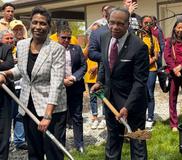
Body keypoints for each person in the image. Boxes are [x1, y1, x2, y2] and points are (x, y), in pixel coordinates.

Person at [0, 6, 67, 160]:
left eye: (42, 23)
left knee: (53, 153)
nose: (38, 27)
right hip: (28, 106)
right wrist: (5, 74)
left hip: (53, 109)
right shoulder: (22, 45)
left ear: (49, 26)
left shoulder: (56, 49)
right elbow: (21, 70)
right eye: (35, 22)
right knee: (34, 152)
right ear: (30, 24)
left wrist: (47, 116)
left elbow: (57, 83)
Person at [90, 8, 149, 159]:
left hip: (133, 103)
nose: (115, 27)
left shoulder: (139, 47)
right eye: (112, 23)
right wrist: (99, 81)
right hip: (110, 101)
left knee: (138, 144)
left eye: (120, 24)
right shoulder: (104, 37)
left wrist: (127, 106)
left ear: (128, 24)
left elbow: (139, 82)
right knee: (113, 142)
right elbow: (104, 62)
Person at [57, 25, 86, 153]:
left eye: (69, 38)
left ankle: (79, 144)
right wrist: (62, 80)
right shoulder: (52, 50)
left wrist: (73, 78)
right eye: (63, 38)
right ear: (58, 37)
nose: (67, 40)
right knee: (61, 118)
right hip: (59, 88)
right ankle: (60, 145)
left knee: (77, 117)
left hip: (75, 87)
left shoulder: (77, 49)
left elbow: (83, 66)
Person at [9, 19, 29, 151]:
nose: (18, 32)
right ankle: (7, 139)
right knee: (8, 113)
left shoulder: (27, 44)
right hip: (10, 84)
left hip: (23, 85)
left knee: (20, 113)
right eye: (15, 29)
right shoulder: (7, 45)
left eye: (20, 29)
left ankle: (19, 140)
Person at [139, 15, 160, 130]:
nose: (147, 25)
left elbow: (156, 56)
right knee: (140, 93)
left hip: (151, 70)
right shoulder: (137, 37)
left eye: (150, 23)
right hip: (138, 71)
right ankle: (141, 115)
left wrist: (146, 64)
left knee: (149, 94)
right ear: (141, 23)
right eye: (145, 22)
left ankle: (150, 117)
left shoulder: (154, 38)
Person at [0, 34, 14, 160]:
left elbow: (9, 64)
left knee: (4, 131)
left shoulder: (6, 48)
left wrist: (4, 64)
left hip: (3, 97)